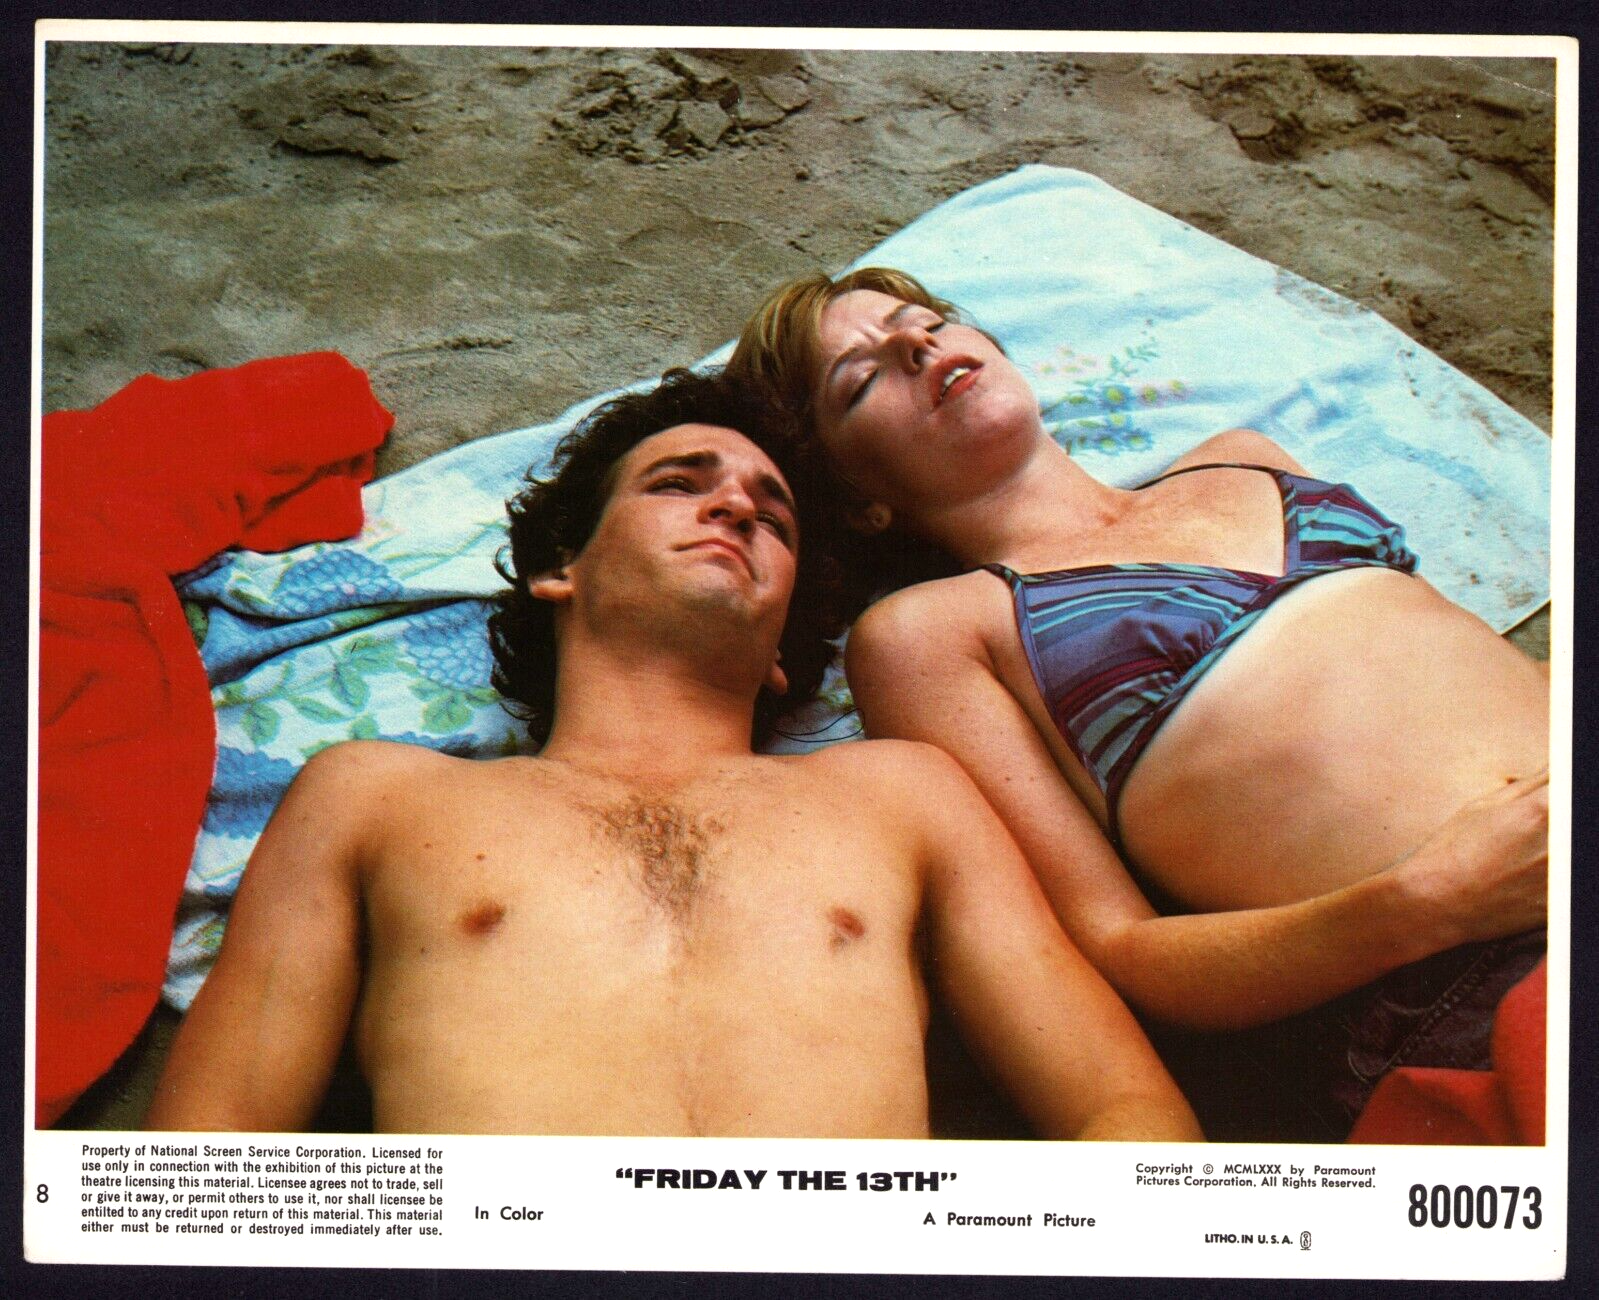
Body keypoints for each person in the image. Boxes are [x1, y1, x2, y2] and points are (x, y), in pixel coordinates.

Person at [145, 368, 1200, 1140]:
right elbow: (211, 1142)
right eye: (676, 484)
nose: (736, 504)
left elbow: (1122, 1109)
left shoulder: (904, 793)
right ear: (562, 568)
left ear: (785, 649)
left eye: (774, 518)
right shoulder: (374, 796)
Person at [727, 268, 1549, 1140]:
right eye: (860, 380)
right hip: (1468, 964)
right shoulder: (930, 632)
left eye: (924, 323)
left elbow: (1463, 655)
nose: (910, 345)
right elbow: (1119, 952)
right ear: (859, 500)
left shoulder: (1246, 456)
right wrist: (1426, 900)